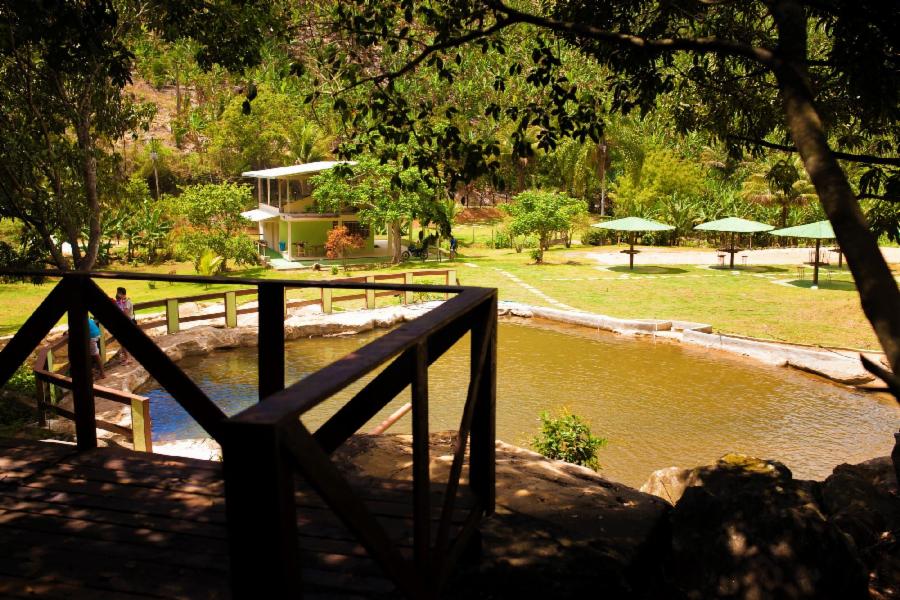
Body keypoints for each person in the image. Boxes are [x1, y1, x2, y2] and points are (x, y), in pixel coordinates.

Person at [115, 287, 135, 364]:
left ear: (122, 293)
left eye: (118, 292)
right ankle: (126, 357)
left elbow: (125, 314)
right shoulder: (122, 302)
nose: (117, 294)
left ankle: (128, 358)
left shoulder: (127, 302)